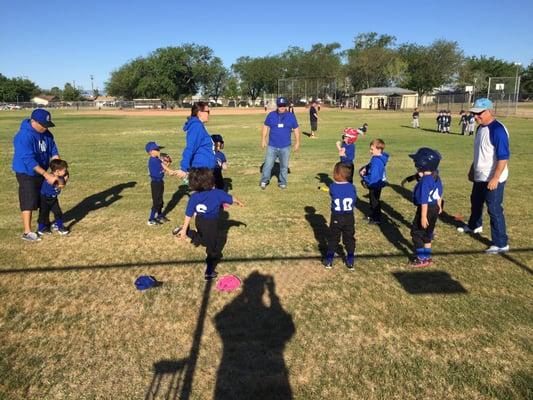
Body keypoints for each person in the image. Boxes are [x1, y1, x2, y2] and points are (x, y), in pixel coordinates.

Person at [457, 98, 510, 254]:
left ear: (489, 111)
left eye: (479, 113)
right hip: (480, 175)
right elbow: (480, 152)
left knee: (494, 208)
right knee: (475, 201)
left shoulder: (498, 130)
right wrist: (473, 169)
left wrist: (495, 178)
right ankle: (474, 225)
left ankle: (501, 243)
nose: (475, 117)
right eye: (474, 113)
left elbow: (503, 157)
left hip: (493, 177)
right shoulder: (480, 129)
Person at [174, 168, 244, 280]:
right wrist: (238, 202)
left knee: (203, 238)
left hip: (199, 221)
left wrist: (184, 228)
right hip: (211, 224)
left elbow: (188, 214)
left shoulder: (194, 197)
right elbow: (231, 198)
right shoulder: (218, 193)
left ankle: (187, 232)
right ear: (211, 181)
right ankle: (209, 271)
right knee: (211, 248)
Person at [12, 109, 60, 241]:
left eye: (47, 124)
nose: (45, 127)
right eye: (43, 124)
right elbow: (28, 160)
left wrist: (58, 170)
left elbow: (53, 151)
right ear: (33, 121)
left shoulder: (47, 134)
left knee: (44, 198)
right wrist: (46, 175)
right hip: (26, 172)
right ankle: (27, 232)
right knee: (29, 199)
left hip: (42, 171)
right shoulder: (23, 136)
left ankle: (43, 225)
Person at [408, 148, 444, 267]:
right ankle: (427, 257)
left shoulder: (424, 181)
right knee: (428, 234)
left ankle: (421, 258)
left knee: (416, 234)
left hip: (426, 209)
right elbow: (439, 192)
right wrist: (439, 205)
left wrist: (423, 216)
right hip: (434, 208)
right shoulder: (436, 176)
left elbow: (423, 200)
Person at [260, 96, 300, 190]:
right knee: (268, 164)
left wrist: (297, 142)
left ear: (286, 106)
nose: (282, 107)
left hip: (285, 146)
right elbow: (265, 126)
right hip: (272, 146)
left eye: (283, 105)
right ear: (277, 106)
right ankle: (264, 181)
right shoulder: (271, 115)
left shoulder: (291, 116)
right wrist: (263, 139)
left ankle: (282, 182)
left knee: (284, 166)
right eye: (280, 105)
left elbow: (296, 129)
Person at [324, 162, 357, 271]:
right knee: (349, 238)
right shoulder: (352, 187)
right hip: (349, 217)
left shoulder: (333, 186)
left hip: (337, 216)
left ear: (338, 175)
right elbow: (354, 199)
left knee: (333, 238)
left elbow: (332, 193)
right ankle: (350, 260)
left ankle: (329, 260)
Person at [175, 102, 216, 180]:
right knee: (204, 192)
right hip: (201, 170)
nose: (209, 114)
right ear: (200, 113)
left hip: (204, 169)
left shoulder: (199, 125)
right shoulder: (196, 127)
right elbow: (190, 148)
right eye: (207, 111)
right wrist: (184, 168)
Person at [359, 139, 389, 224]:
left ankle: (376, 218)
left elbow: (373, 177)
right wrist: (366, 167)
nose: (370, 151)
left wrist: (364, 177)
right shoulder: (377, 157)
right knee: (373, 200)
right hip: (377, 183)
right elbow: (370, 164)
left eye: (372, 149)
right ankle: (373, 214)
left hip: (375, 184)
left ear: (379, 150)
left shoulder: (376, 161)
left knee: (374, 201)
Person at [37, 159, 70, 236]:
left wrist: (64, 177)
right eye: (64, 170)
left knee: (58, 212)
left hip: (53, 198)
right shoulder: (50, 178)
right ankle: (41, 228)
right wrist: (60, 179)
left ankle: (60, 227)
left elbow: (62, 184)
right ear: (57, 171)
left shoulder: (60, 176)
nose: (66, 171)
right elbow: (60, 185)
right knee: (43, 214)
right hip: (44, 199)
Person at [146, 141, 174, 225]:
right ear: (150, 152)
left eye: (158, 149)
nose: (158, 151)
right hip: (155, 184)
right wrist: (169, 170)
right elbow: (162, 168)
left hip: (160, 182)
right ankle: (150, 219)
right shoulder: (153, 161)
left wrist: (168, 164)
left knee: (160, 201)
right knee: (156, 202)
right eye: (156, 149)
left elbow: (162, 168)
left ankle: (159, 215)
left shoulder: (157, 159)